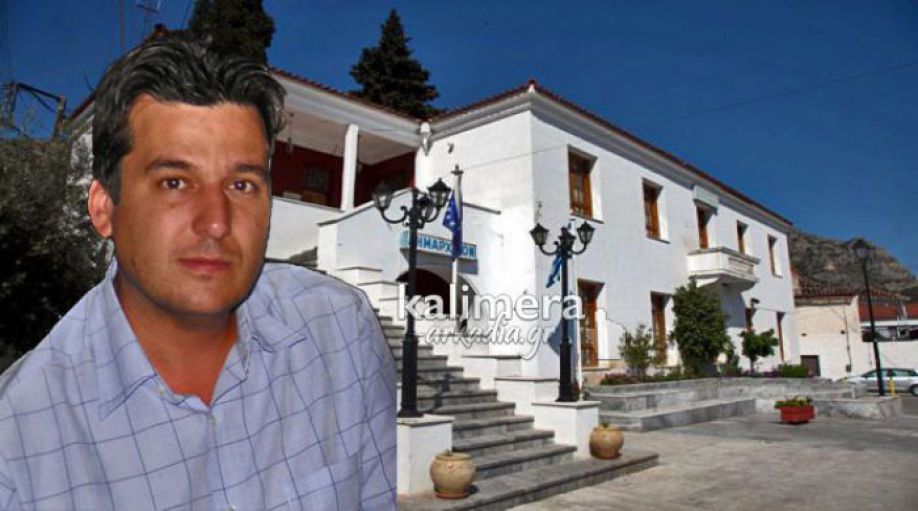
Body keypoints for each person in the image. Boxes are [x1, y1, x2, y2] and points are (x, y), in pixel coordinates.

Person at [0, 33, 396, 510]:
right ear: (104, 208)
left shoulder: (341, 331)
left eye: (242, 184)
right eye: (174, 182)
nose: (216, 222)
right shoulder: (17, 443)